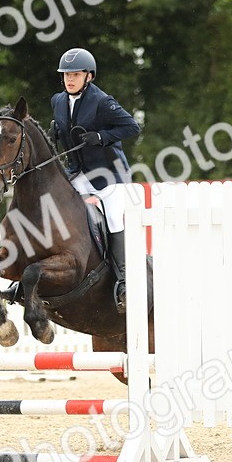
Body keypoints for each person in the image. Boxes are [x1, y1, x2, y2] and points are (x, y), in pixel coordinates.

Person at [50, 46, 141, 311]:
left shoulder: (103, 101)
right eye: (66, 74)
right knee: (56, 210)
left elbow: (131, 126)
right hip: (78, 173)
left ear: (88, 76)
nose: (69, 79)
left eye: (75, 74)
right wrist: (56, 130)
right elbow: (61, 127)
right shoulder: (57, 101)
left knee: (112, 218)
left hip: (109, 175)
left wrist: (101, 137)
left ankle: (123, 280)